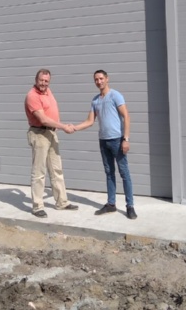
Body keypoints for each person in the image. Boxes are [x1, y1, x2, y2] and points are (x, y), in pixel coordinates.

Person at [73, 70, 136, 219]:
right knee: (109, 173)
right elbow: (90, 121)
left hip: (117, 140)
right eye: (96, 79)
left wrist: (126, 139)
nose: (99, 81)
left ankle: (130, 206)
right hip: (103, 141)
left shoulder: (115, 95)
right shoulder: (95, 100)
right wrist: (74, 128)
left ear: (107, 79)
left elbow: (126, 116)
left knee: (124, 173)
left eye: (101, 78)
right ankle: (111, 204)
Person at [24, 68, 79, 218]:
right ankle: (37, 206)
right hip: (39, 134)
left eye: (46, 81)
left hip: (51, 133)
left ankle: (62, 202)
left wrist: (57, 127)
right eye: (41, 80)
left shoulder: (48, 91)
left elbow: (52, 113)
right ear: (36, 80)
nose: (44, 83)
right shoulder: (32, 96)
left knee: (56, 169)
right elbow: (43, 119)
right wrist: (64, 127)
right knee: (39, 172)